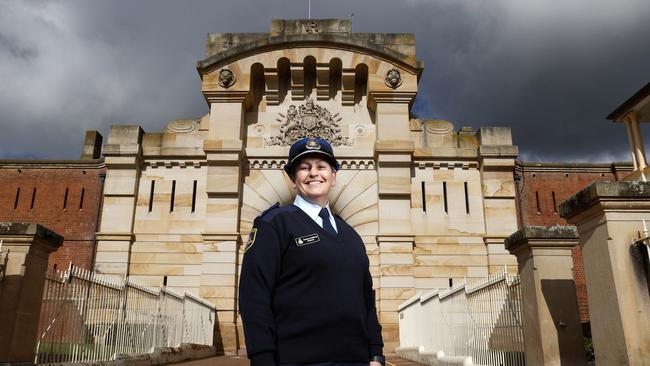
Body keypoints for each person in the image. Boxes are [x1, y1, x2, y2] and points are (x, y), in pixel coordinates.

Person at [239, 137, 384, 366]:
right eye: (305, 168)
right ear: (293, 179)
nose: (313, 173)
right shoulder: (274, 225)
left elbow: (366, 299)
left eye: (321, 167)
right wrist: (262, 358)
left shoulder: (352, 237)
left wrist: (376, 354)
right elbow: (254, 294)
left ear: (333, 176)